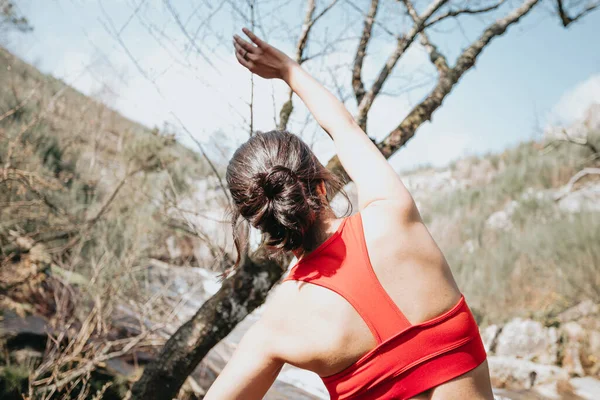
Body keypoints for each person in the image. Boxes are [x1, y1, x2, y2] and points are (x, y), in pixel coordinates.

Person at [204, 28, 493, 400]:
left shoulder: (278, 325)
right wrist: (288, 70)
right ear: (321, 185)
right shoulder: (394, 215)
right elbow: (343, 127)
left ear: (260, 222)